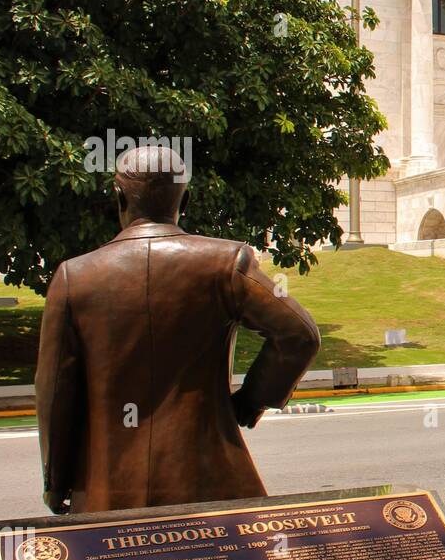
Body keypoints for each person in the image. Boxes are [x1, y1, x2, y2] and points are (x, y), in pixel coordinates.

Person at [35, 145, 320, 514]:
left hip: (107, 489)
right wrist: (250, 401)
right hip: (211, 483)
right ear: (184, 201)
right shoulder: (225, 263)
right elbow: (299, 335)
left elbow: (55, 393)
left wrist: (56, 483)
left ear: (118, 197)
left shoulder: (74, 277)